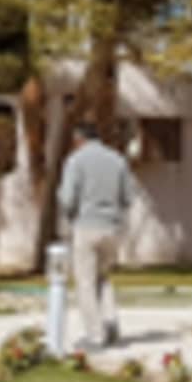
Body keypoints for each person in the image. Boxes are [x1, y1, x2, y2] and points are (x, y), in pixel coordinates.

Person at [54, 118, 138, 350]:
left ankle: (95, 335)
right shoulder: (118, 160)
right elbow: (128, 197)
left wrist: (69, 214)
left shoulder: (75, 161)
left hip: (86, 225)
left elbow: (68, 198)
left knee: (85, 282)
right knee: (102, 277)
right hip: (112, 228)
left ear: (78, 139)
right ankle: (110, 323)